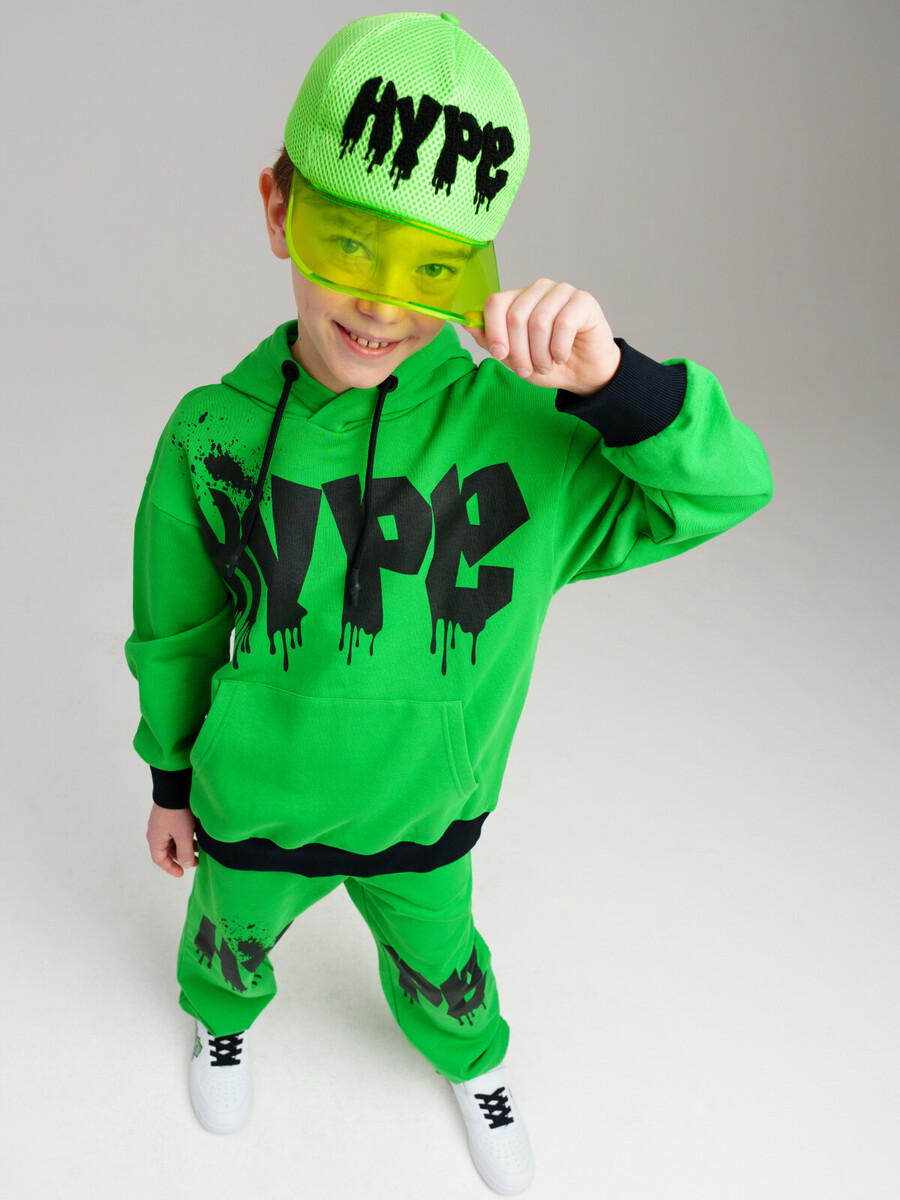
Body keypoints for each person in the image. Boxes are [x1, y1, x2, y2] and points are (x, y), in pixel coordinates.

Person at [125, 11, 772, 1195]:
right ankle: (222, 1020)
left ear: (477, 266)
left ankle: (474, 1064)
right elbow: (176, 629)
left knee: (448, 968)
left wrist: (614, 381)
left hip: (426, 817)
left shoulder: (527, 437)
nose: (382, 307)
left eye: (430, 267)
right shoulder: (210, 436)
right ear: (277, 209)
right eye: (350, 245)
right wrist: (171, 781)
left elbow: (729, 488)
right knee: (226, 939)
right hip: (250, 805)